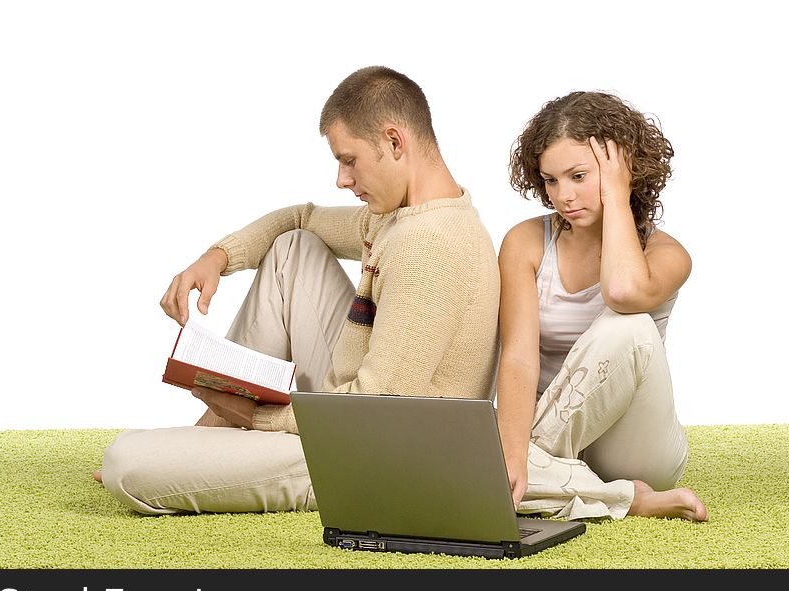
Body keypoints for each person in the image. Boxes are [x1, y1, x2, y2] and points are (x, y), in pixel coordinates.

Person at [94, 66, 500, 515]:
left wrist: (254, 417)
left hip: (378, 456)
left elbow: (376, 414)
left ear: (394, 142)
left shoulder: (428, 244)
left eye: (349, 160)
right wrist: (218, 257)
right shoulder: (404, 217)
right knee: (294, 249)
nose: (342, 180)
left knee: (125, 463)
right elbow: (299, 220)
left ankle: (212, 438)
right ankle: (210, 432)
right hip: (351, 411)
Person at [497, 91, 708, 522]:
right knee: (497, 453)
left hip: (632, 446)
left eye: (578, 176)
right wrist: (510, 451)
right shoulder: (525, 242)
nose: (563, 196)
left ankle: (536, 473)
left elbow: (624, 292)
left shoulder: (668, 254)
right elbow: (518, 357)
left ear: (624, 170)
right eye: (551, 180)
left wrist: (616, 195)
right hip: (548, 429)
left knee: (627, 325)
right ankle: (627, 500)